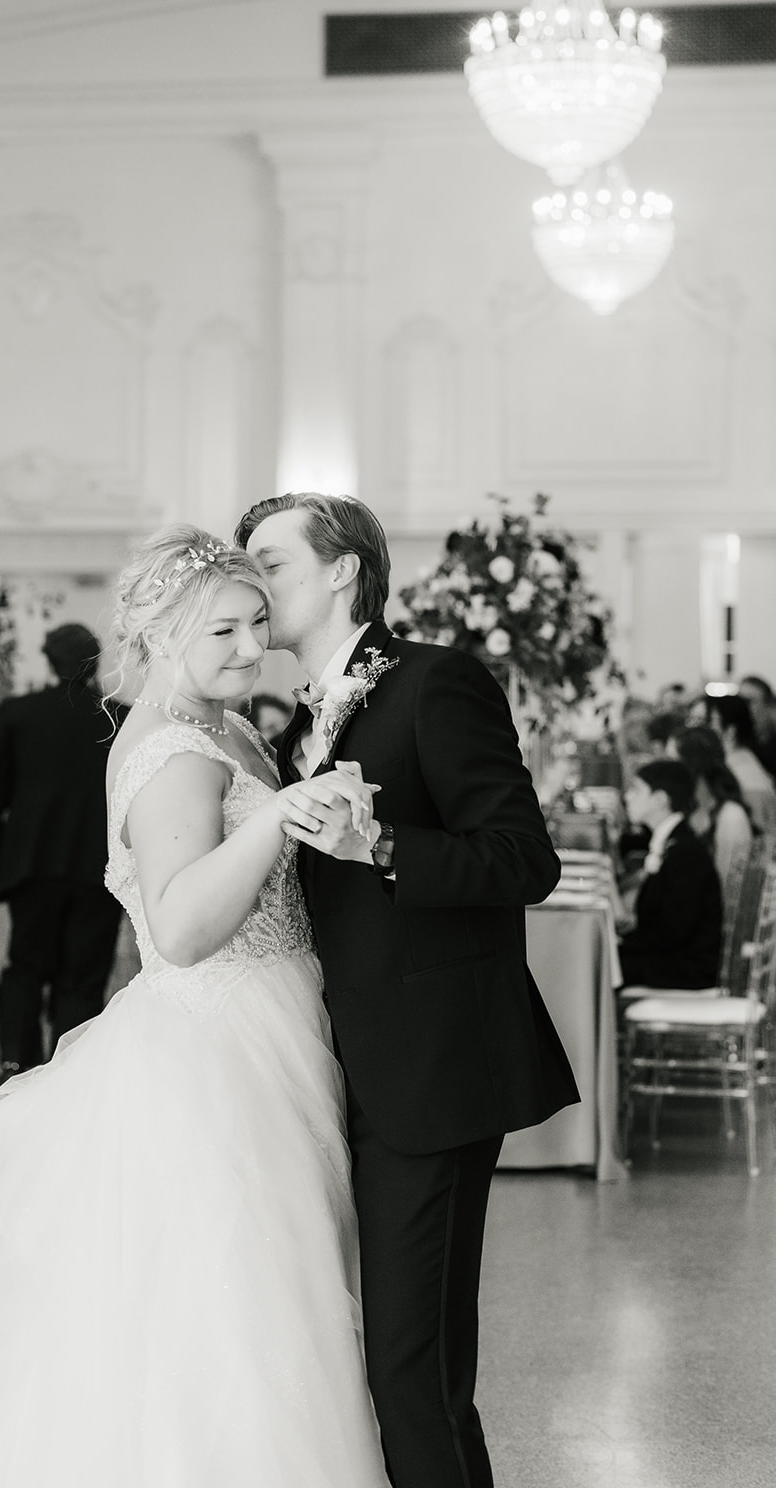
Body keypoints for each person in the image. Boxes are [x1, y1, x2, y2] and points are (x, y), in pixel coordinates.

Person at [0, 528, 391, 1487]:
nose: (248, 646)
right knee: (235, 1309)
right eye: (219, 628)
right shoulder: (178, 749)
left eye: (257, 621)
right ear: (156, 635)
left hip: (267, 1019)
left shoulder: (227, 725)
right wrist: (279, 814)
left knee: (260, 1297)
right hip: (218, 1047)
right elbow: (181, 929)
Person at [236, 492, 577, 1488]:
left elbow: (522, 860)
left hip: (428, 1067)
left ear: (343, 571)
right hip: (338, 1066)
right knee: (385, 1362)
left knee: (409, 1367)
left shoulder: (434, 681)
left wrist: (379, 842)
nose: (253, 579)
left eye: (272, 559)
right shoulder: (281, 722)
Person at [0, 623, 123, 1088]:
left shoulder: (16, 714)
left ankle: (16, 1064)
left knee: (25, 965)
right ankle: (69, 1066)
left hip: (31, 863)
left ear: (48, 660)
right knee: (83, 971)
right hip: (97, 864)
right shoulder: (118, 715)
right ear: (94, 661)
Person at [617, 759, 722, 990]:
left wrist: (622, 942)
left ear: (660, 800)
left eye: (636, 790)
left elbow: (672, 932)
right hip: (670, 958)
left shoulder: (685, 854)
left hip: (688, 971)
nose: (627, 797)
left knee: (602, 968)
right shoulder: (673, 842)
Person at [666, 724, 754, 902]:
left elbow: (731, 890)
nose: (665, 771)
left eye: (672, 762)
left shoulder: (731, 817)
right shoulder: (687, 808)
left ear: (693, 765)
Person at [707, 692, 776, 838]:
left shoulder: (742, 770)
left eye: (713, 721)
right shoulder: (740, 760)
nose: (708, 728)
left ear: (731, 730)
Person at [738, 674, 776, 778]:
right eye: (739, 701)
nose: (742, 707)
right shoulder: (740, 738)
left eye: (748, 701)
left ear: (769, 705)